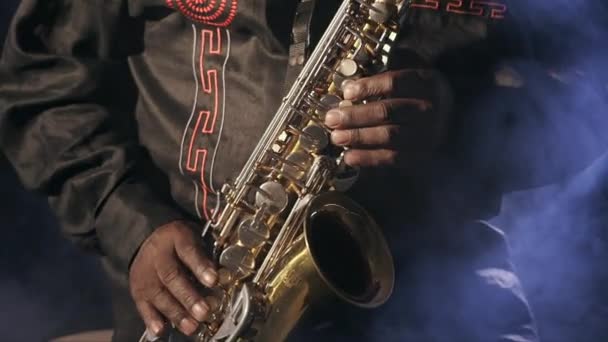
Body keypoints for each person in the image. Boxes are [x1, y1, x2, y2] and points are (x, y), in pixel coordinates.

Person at [1, 0, 606, 341]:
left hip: (437, 288)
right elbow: (39, 83)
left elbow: (586, 98)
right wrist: (130, 226)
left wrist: (460, 119)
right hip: (197, 293)